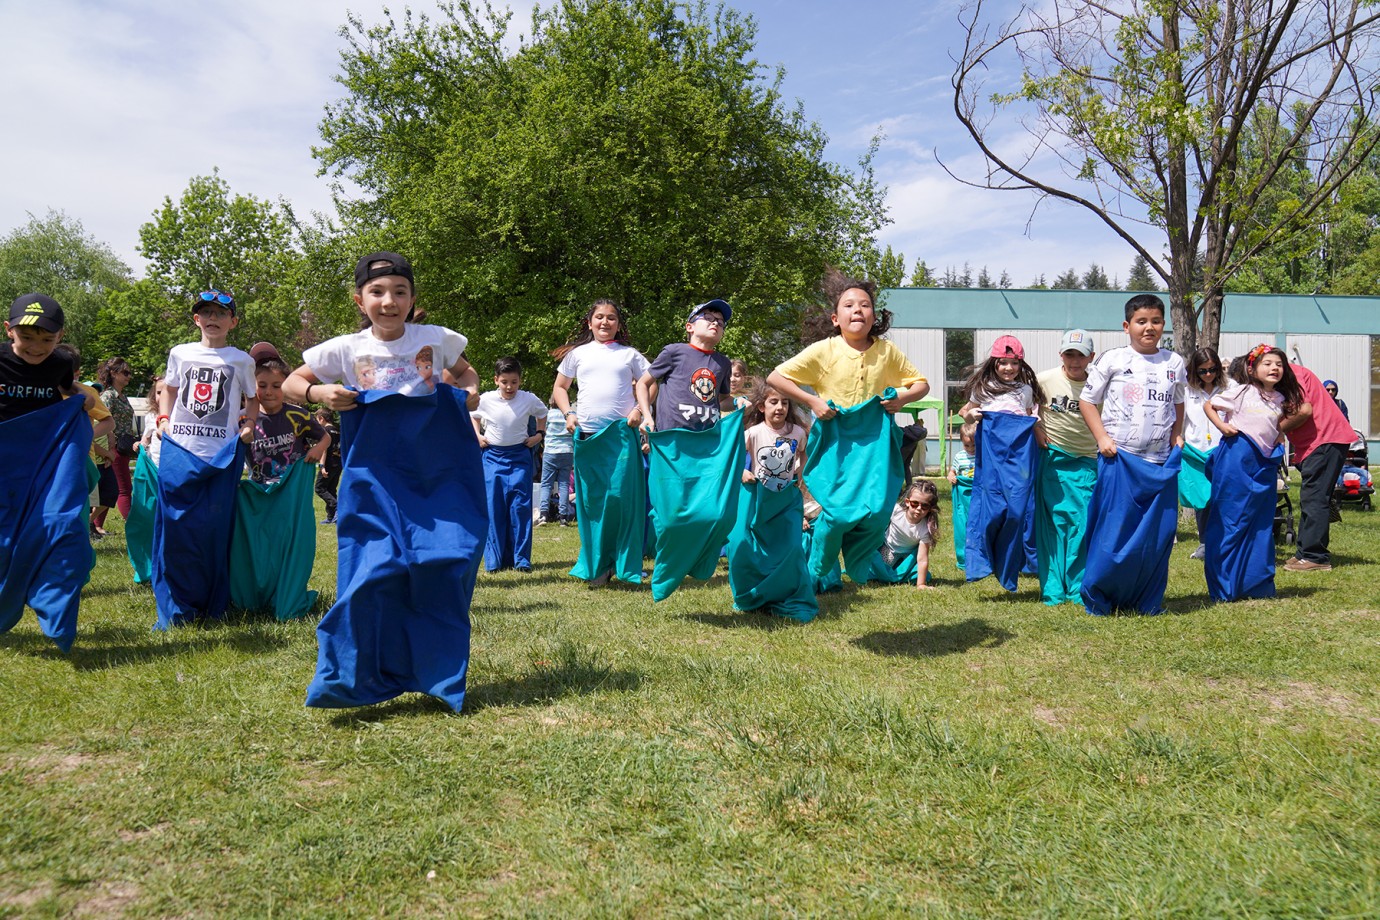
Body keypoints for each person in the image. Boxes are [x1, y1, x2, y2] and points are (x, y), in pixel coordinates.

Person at [285, 250, 485, 713]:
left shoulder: (435, 339)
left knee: (445, 563)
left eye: (399, 292)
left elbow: (466, 374)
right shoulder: (345, 349)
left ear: (413, 298)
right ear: (360, 300)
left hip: (437, 475)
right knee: (373, 573)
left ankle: (437, 676)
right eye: (377, 292)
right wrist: (319, 392)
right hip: (371, 476)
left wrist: (469, 395)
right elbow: (294, 382)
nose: (389, 301)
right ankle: (351, 679)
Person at [766, 269, 930, 586]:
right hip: (834, 442)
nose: (858, 310)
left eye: (865, 305)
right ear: (835, 318)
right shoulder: (824, 351)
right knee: (836, 513)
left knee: (878, 511)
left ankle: (857, 556)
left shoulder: (886, 352)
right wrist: (812, 401)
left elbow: (921, 384)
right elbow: (776, 378)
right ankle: (820, 564)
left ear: (874, 316)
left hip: (875, 445)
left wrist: (902, 399)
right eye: (849, 305)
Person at [152, 290, 259, 628]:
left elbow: (252, 400)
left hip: (221, 456)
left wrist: (250, 424)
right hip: (180, 451)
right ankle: (175, 603)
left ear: (233, 322)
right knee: (176, 527)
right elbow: (169, 388)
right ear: (196, 319)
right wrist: (164, 420)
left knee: (213, 529)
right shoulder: (180, 353)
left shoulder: (241, 360)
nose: (213, 318)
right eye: (206, 312)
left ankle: (213, 601)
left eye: (221, 313)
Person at [1078, 294, 1186, 615]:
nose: (1148, 328)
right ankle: (1101, 596)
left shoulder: (1174, 363)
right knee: (1113, 533)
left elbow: (1179, 403)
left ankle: (1146, 600)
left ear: (1163, 324)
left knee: (1158, 535)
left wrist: (1178, 434)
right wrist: (1102, 438)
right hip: (1119, 460)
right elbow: (1087, 401)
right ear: (1127, 326)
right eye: (1141, 322)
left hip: (1159, 464)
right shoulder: (1112, 359)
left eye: (1155, 321)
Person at [0, 294, 95, 653]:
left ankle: (53, 606)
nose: (37, 347)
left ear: (61, 336)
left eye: (47, 338)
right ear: (8, 330)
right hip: (4, 465)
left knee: (62, 528)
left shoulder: (60, 363)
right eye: (28, 337)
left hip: (43, 466)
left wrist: (80, 398)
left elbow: (68, 389)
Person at [551, 299, 650, 587]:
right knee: (593, 503)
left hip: (621, 436)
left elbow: (651, 383)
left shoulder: (630, 355)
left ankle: (625, 564)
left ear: (619, 325)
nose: (605, 322)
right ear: (590, 322)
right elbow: (560, 387)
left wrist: (638, 410)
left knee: (620, 500)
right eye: (599, 317)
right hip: (588, 438)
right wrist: (569, 413)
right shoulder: (577, 355)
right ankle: (597, 565)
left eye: (611, 318)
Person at [1201, 343, 1306, 600]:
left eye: (1279, 364)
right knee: (1231, 520)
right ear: (1253, 368)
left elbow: (1277, 424)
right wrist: (1222, 428)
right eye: (1267, 363)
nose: (1274, 368)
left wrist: (1279, 434)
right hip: (1236, 460)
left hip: (1264, 466)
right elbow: (1210, 406)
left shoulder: (1280, 399)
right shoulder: (1241, 391)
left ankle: (1255, 584)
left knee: (1259, 523)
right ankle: (1224, 586)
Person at [957, 335, 1044, 592]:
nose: (1008, 368)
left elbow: (1032, 417)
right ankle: (983, 562)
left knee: (1018, 512)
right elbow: (965, 411)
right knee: (992, 509)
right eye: (1003, 363)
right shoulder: (983, 389)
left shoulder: (1025, 391)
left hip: (1019, 459)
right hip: (992, 458)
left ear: (1021, 364)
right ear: (994, 362)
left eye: (1014, 363)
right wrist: (971, 415)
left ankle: (1013, 564)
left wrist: (1038, 429)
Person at [727, 379, 817, 620]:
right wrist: (742, 471)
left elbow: (804, 458)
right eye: (773, 402)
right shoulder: (753, 432)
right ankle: (751, 593)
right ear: (761, 407)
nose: (780, 407)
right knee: (742, 544)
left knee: (790, 547)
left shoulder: (797, 433)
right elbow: (732, 456)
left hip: (786, 499)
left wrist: (801, 476)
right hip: (758, 498)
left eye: (785, 403)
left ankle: (783, 593)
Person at [1033, 329, 1098, 605]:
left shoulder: (1098, 384)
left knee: (1080, 525)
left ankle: (1076, 588)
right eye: (1069, 354)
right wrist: (1037, 427)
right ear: (1061, 354)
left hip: (1086, 462)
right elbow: (1026, 407)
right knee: (1052, 525)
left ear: (1090, 357)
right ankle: (1052, 590)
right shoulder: (1044, 380)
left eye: (1080, 355)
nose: (1074, 361)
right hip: (1052, 460)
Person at [473, 356, 547, 572]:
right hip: (492, 457)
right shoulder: (485, 399)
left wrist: (539, 435)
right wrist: (476, 435)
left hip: (519, 457)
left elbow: (542, 414)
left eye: (514, 382)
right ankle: (495, 561)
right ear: (496, 380)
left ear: (520, 381)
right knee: (494, 507)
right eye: (505, 382)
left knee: (520, 508)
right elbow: (473, 416)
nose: (509, 387)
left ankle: (521, 559)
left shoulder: (529, 399)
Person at [1280, 360, 1353, 571]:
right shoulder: (1290, 375)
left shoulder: (1293, 376)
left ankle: (1316, 557)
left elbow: (1304, 411)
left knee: (1315, 498)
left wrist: (1275, 429)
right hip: (1317, 442)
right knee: (1310, 497)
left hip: (1325, 440)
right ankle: (1304, 552)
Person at [636, 299, 735, 433]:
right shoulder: (673, 352)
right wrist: (646, 416)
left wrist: (738, 402)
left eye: (720, 322)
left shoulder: (724, 363)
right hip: (671, 438)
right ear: (690, 327)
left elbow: (723, 400)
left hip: (708, 440)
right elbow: (642, 383)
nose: (715, 322)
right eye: (708, 317)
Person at [54, 344, 116, 539]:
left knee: (76, 509)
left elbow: (108, 422)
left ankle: (76, 543)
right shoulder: (41, 389)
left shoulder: (85, 392)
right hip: (49, 459)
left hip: (80, 461)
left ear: (77, 372)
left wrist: (86, 434)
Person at [247, 344, 330, 485]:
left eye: (276, 386)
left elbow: (325, 437)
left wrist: (318, 448)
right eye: (262, 386)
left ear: (286, 385)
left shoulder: (298, 415)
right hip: (259, 494)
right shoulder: (244, 420)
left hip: (293, 491)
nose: (268, 392)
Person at [1180, 347, 1224, 560]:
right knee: (1202, 500)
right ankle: (1205, 543)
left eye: (1212, 369)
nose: (1208, 375)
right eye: (1202, 371)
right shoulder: (1187, 391)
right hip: (1196, 452)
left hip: (1222, 451)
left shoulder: (1229, 388)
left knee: (1223, 498)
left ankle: (1225, 542)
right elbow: (1180, 419)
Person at [876, 480, 940, 589]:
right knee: (879, 569)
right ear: (907, 502)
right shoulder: (896, 511)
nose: (919, 508)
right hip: (889, 548)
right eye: (915, 503)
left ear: (930, 509)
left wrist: (921, 584)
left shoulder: (925, 528)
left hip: (908, 556)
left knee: (917, 574)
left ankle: (901, 572)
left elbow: (922, 558)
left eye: (924, 506)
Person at [97, 357, 138, 520]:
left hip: (123, 446)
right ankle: (132, 524)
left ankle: (96, 526)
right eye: (125, 372)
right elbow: (101, 419)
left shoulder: (122, 396)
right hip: (113, 447)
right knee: (123, 488)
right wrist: (109, 444)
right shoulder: (108, 396)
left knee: (110, 488)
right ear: (113, 373)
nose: (129, 376)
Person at [537, 401, 575, 525]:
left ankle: (544, 514)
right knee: (564, 484)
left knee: (546, 484)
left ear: (550, 402)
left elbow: (542, 430)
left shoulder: (548, 414)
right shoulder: (571, 415)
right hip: (567, 451)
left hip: (550, 451)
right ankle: (563, 517)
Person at [947, 420, 977, 571]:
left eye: (974, 445)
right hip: (963, 494)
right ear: (962, 443)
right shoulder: (960, 457)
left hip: (977, 493)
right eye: (967, 445)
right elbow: (952, 471)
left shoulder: (982, 455)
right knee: (962, 524)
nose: (971, 449)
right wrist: (951, 476)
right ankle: (963, 558)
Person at [313, 407, 341, 524]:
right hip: (338, 464)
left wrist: (322, 466)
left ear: (321, 418)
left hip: (328, 464)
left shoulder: (324, 431)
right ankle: (331, 517)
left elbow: (324, 449)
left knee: (319, 488)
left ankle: (338, 508)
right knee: (331, 489)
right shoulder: (337, 430)